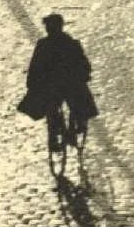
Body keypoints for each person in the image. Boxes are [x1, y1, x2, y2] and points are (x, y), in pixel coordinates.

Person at [25, 14, 98, 149]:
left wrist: (32, 84)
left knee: (51, 110)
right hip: (70, 84)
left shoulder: (43, 45)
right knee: (79, 104)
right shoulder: (71, 43)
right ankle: (78, 125)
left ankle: (54, 139)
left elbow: (35, 66)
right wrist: (85, 75)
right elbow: (83, 63)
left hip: (51, 86)